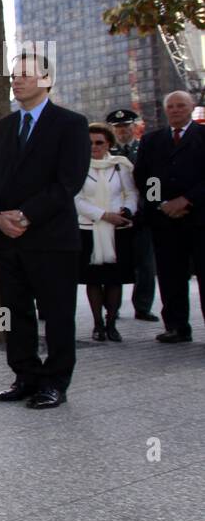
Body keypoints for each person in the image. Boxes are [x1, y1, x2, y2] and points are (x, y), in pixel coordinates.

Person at [0, 50, 89, 410]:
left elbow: (67, 183)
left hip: (51, 239)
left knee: (57, 313)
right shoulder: (2, 127)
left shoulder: (70, 124)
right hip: (7, 240)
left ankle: (56, 382)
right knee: (16, 311)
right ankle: (25, 375)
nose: (17, 80)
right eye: (14, 75)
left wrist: (25, 216)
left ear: (47, 80)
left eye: (25, 74)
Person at [133, 90, 205, 343]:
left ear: (191, 107)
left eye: (181, 105)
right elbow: (143, 177)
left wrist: (187, 200)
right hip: (165, 221)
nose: (175, 110)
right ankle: (176, 326)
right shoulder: (151, 140)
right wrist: (161, 203)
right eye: (171, 106)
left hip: (199, 218)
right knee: (170, 276)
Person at [76, 123, 138, 341]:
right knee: (93, 280)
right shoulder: (78, 166)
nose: (94, 147)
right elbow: (76, 199)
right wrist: (102, 215)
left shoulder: (120, 165)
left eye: (99, 142)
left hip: (117, 229)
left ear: (108, 143)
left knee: (114, 279)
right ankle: (98, 324)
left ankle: (112, 323)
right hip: (89, 228)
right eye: (89, 143)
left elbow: (130, 192)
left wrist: (128, 210)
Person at [108, 108, 158, 321]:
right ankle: (113, 307)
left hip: (142, 216)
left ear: (133, 127)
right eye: (118, 128)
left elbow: (153, 181)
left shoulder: (144, 150)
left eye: (125, 127)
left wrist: (152, 207)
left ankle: (143, 307)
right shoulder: (108, 154)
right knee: (115, 264)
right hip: (116, 217)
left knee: (146, 265)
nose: (122, 131)